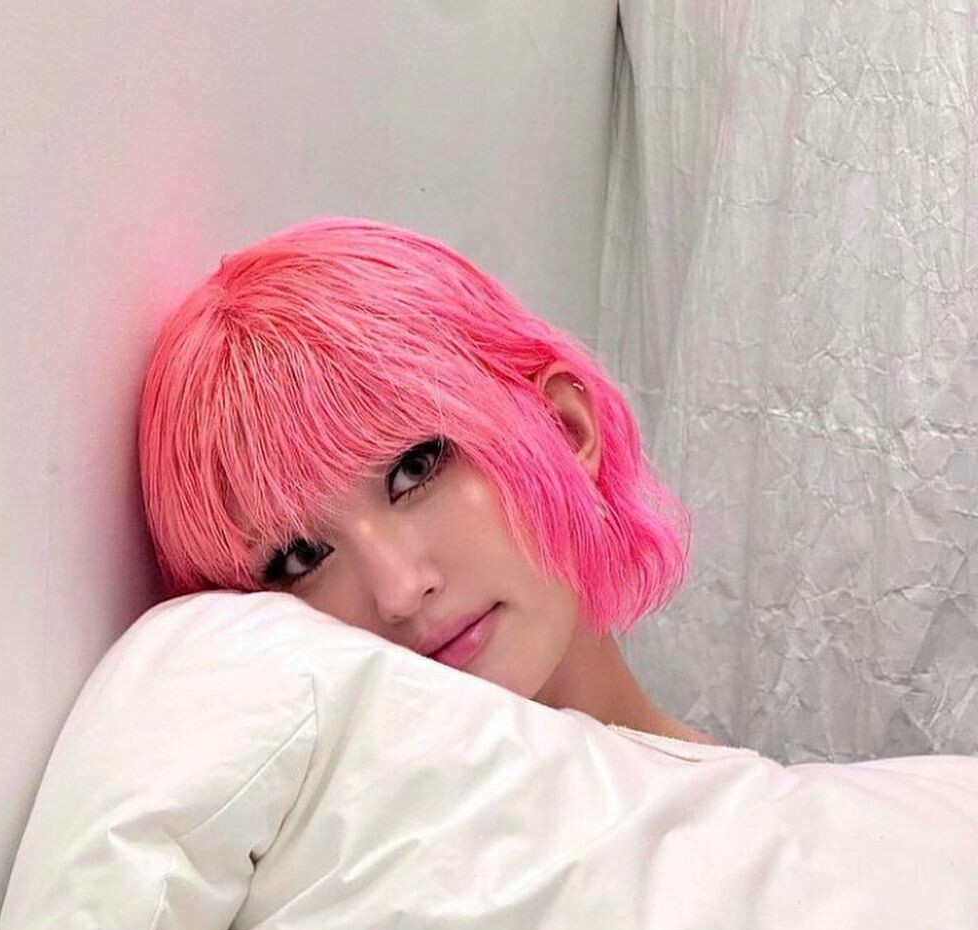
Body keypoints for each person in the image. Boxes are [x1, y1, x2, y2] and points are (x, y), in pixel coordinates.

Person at [137, 215, 715, 745]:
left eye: (414, 469)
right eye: (300, 557)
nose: (400, 592)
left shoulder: (753, 812)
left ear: (565, 426)